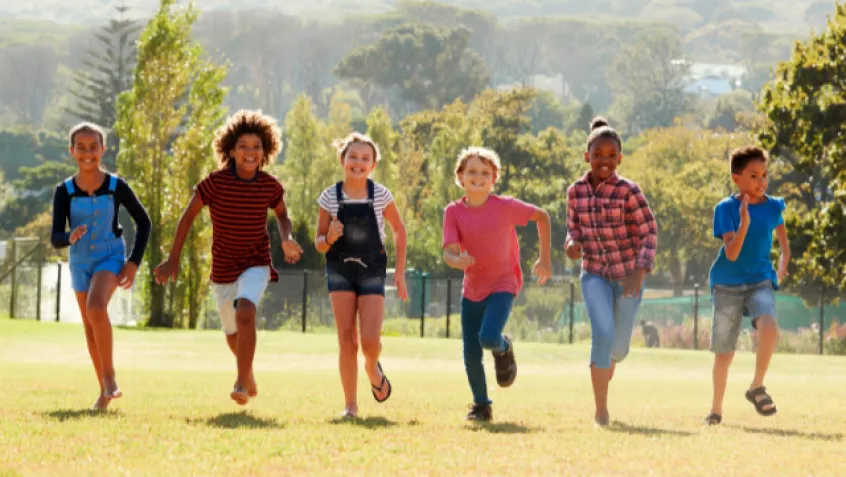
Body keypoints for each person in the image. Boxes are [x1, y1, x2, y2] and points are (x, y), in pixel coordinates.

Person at [154, 110, 303, 405]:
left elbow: (283, 215)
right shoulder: (215, 183)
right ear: (231, 150)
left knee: (246, 311)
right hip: (223, 269)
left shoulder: (269, 185)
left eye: (256, 147)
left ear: (266, 151)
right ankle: (248, 374)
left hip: (255, 263)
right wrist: (173, 258)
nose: (250, 152)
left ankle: (240, 381)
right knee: (232, 334)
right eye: (244, 147)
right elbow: (187, 217)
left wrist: (286, 238)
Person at [442, 146, 552, 422]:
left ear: (494, 179)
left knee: (488, 337)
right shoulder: (453, 212)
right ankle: (481, 405)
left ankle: (503, 347)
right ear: (460, 177)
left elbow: (542, 217)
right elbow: (449, 252)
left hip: (504, 282)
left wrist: (545, 258)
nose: (478, 177)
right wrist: (458, 261)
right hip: (473, 288)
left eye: (485, 173)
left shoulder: (505, 207)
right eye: (472, 172)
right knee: (470, 353)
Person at [51, 122, 152, 410]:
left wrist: (133, 262)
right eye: (81, 148)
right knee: (89, 325)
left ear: (102, 149)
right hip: (79, 261)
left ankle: (110, 377)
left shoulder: (116, 186)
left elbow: (144, 222)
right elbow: (56, 236)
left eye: (93, 147)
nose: (87, 153)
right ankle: (104, 394)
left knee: (96, 308)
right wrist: (69, 237)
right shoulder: (64, 191)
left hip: (109, 257)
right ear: (72, 151)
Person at [565, 117, 658, 427]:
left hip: (629, 276)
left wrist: (639, 272)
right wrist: (571, 244)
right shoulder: (575, 191)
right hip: (594, 274)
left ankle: (607, 370)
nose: (603, 161)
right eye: (597, 155)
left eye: (610, 156)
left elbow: (649, 231)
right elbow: (573, 230)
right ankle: (601, 410)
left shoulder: (628, 191)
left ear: (620, 158)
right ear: (586, 156)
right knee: (602, 334)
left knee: (618, 347)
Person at [314, 132, 408, 418]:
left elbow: (399, 230)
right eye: (353, 156)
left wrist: (400, 273)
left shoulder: (380, 194)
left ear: (373, 165)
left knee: (369, 342)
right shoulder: (329, 197)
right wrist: (329, 236)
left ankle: (372, 367)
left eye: (365, 158)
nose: (358, 162)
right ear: (343, 160)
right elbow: (319, 243)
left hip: (371, 270)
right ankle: (350, 407)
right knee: (346, 338)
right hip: (340, 268)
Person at [703, 145, 789, 425]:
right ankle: (715, 411)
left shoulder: (775, 206)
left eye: (764, 175)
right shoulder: (725, 209)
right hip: (726, 284)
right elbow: (731, 253)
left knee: (769, 327)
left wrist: (781, 268)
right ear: (736, 178)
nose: (761, 181)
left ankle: (756, 387)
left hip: (759, 281)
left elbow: (785, 247)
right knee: (724, 353)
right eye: (753, 175)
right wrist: (744, 223)